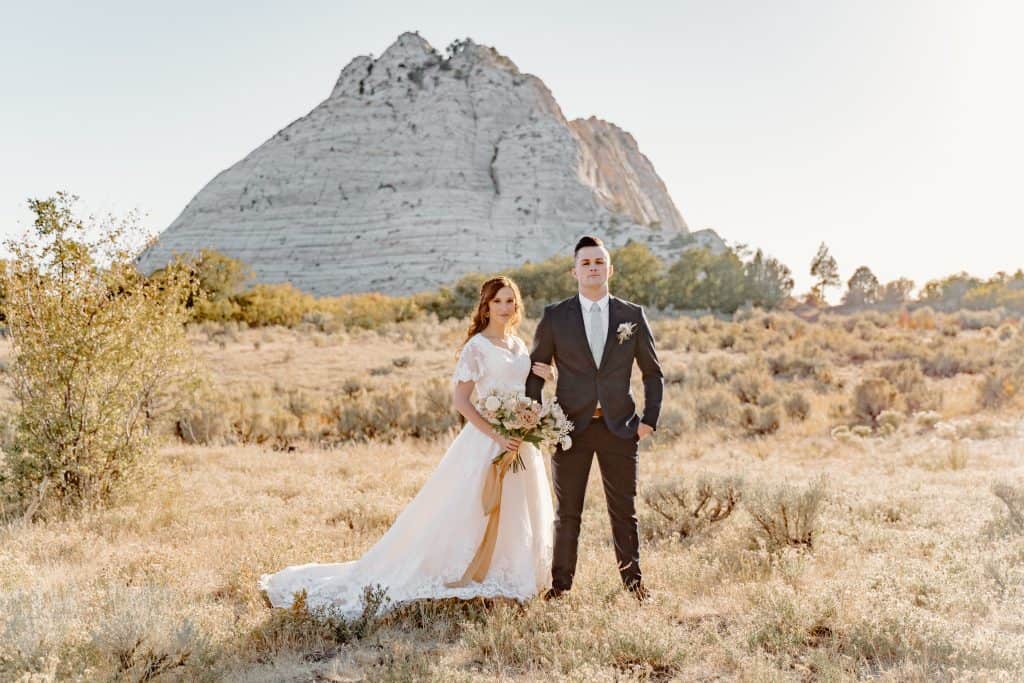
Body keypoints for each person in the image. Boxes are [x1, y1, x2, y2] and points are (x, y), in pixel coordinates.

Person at [259, 276, 554, 616]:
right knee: (469, 507)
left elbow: (523, 390)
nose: (505, 307)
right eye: (497, 301)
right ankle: (463, 569)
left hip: (520, 440)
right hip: (487, 441)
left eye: (510, 300)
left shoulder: (518, 345)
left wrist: (546, 386)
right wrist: (497, 435)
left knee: (518, 507)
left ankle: (511, 573)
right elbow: (461, 401)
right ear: (486, 306)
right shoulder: (477, 347)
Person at [526, 235, 664, 602]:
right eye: (585, 263)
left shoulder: (631, 315)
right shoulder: (555, 316)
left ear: (610, 269)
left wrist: (649, 421)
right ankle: (560, 588)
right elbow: (535, 373)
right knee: (567, 513)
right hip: (569, 429)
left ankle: (634, 586)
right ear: (574, 271)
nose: (592, 268)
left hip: (621, 428)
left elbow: (653, 373)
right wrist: (538, 422)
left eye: (599, 262)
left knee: (624, 512)